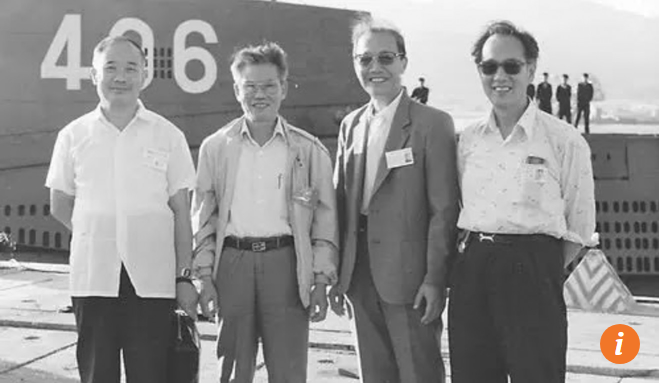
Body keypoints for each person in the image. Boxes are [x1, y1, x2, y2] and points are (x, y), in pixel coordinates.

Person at [449, 21, 596, 383]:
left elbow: (579, 222)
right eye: (489, 67)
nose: (500, 75)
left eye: (511, 66)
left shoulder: (564, 140)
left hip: (533, 269)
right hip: (473, 269)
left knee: (538, 374)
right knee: (473, 374)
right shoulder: (465, 141)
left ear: (530, 68)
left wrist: (536, 266)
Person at [45, 36, 198, 383]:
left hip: (153, 280)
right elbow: (60, 203)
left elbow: (181, 214)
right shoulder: (73, 135)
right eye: (110, 67)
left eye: (131, 68)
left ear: (145, 75)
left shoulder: (167, 135)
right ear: (93, 75)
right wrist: (102, 235)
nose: (120, 77)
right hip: (94, 277)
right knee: (98, 374)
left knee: (152, 374)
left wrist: (184, 278)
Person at [191, 42, 338, 383]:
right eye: (250, 87)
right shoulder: (216, 149)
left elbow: (325, 222)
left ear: (283, 88)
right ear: (236, 90)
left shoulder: (309, 150)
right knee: (231, 369)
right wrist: (204, 277)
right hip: (233, 264)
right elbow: (203, 218)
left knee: (288, 370)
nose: (260, 95)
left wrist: (319, 281)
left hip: (286, 265)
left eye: (269, 86)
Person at [330, 16, 460, 383]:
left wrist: (435, 279)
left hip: (409, 277)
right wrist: (340, 276)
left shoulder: (432, 124)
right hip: (359, 275)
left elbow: (444, 210)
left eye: (385, 58)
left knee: (418, 373)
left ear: (403, 62)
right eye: (365, 59)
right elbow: (342, 203)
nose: (375, 68)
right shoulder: (351, 125)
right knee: (375, 374)